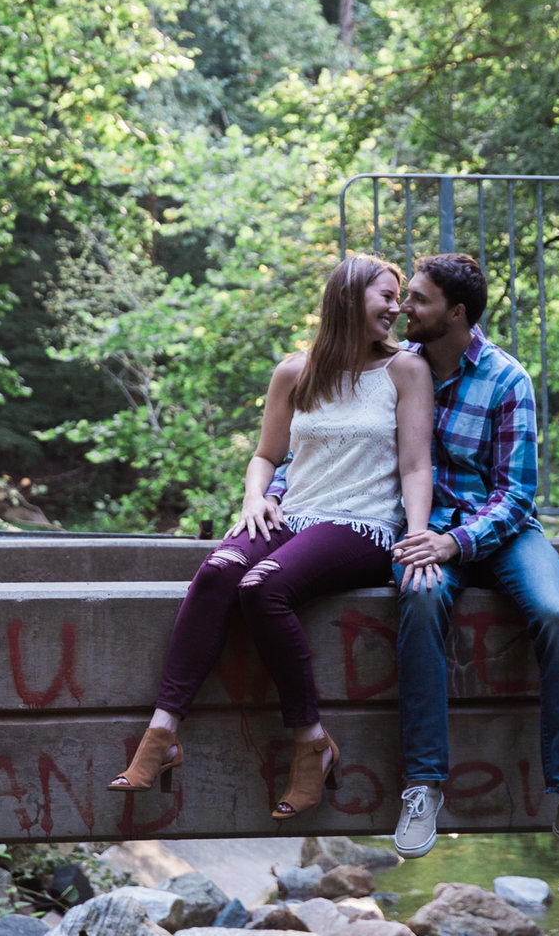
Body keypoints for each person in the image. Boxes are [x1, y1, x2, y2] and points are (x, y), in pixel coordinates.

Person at [110, 253, 436, 818]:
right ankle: (163, 734)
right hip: (293, 515)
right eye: (386, 295)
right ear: (348, 298)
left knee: (262, 586)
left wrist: (414, 537)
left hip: (365, 525)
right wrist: (255, 497)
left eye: (400, 297)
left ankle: (311, 742)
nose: (396, 308)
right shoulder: (295, 371)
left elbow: (414, 466)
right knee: (216, 570)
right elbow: (266, 456)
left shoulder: (406, 370)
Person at [388, 251, 559, 877]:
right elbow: (336, 443)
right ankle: (423, 786)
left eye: (419, 299)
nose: (405, 307)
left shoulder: (506, 378)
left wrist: (458, 543)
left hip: (500, 533)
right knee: (420, 595)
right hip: (425, 529)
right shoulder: (394, 371)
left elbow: (516, 497)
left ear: (456, 314)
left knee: (556, 611)